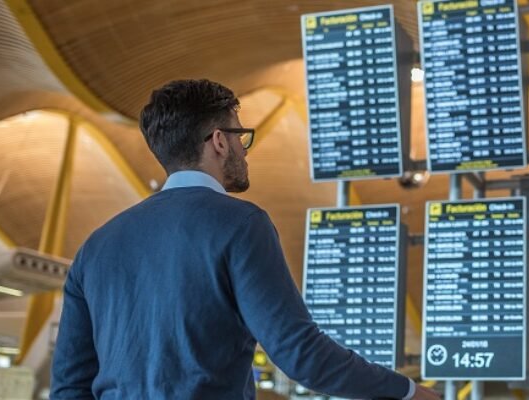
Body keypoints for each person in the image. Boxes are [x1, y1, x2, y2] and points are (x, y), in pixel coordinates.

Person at [51, 79, 439, 400]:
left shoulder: (96, 246)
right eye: (240, 136)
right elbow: (300, 353)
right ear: (219, 141)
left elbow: (70, 385)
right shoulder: (240, 223)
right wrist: (407, 391)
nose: (243, 149)